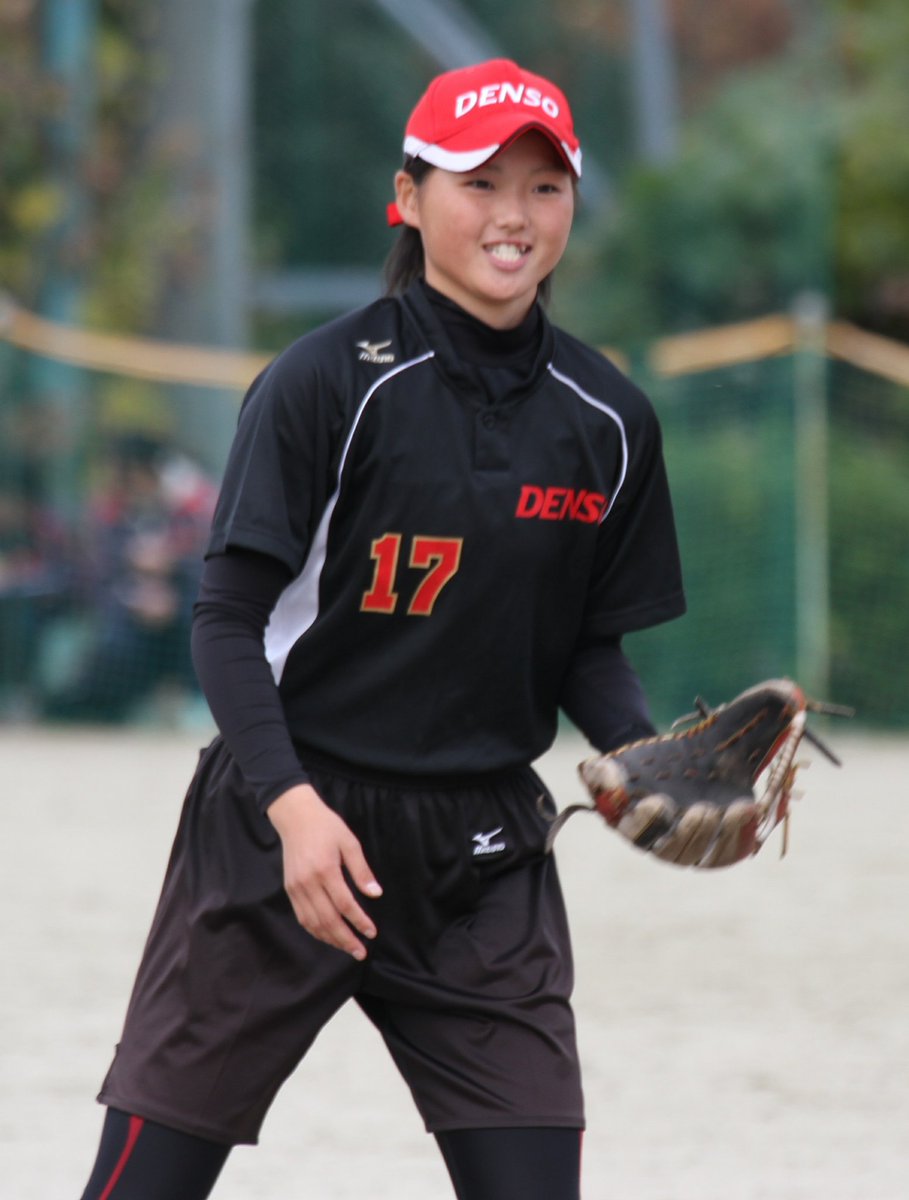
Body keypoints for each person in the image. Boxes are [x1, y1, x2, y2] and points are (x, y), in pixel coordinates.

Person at [78, 58, 685, 1199]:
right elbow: (224, 621)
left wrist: (643, 760)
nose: (514, 215)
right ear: (406, 198)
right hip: (286, 820)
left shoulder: (608, 418)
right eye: (479, 180)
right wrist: (292, 808)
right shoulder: (323, 382)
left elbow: (588, 651)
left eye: (545, 186)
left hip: (482, 853)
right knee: (145, 1183)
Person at [42, 433, 216, 723]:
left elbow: (211, 568)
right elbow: (91, 573)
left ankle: (193, 702)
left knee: (196, 619)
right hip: (122, 613)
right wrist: (133, 593)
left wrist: (172, 570)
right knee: (118, 640)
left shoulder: (191, 508)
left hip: (181, 607)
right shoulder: (107, 512)